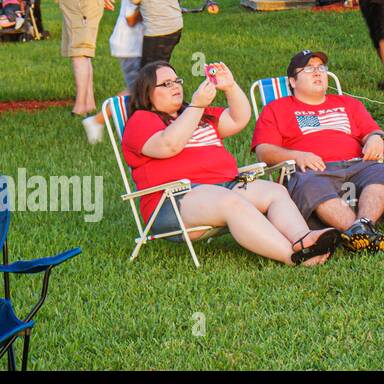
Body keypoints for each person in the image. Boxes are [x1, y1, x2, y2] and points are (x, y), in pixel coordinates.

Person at [122, 61, 338, 266]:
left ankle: (303, 239)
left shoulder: (198, 114)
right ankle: (293, 257)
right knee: (230, 202)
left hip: (222, 187)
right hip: (172, 201)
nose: (175, 86)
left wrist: (230, 86)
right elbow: (169, 145)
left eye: (177, 81)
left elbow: (238, 119)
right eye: (166, 84)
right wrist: (196, 106)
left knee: (275, 192)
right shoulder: (141, 120)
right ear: (147, 92)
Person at [252, 50, 384, 251]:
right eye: (309, 69)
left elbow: (371, 130)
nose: (318, 72)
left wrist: (375, 138)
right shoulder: (277, 109)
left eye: (321, 68)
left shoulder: (348, 103)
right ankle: (361, 233)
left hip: (358, 165)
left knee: (382, 172)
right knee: (308, 184)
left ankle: (361, 228)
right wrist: (297, 156)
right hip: (314, 171)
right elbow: (264, 151)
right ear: (292, 81)